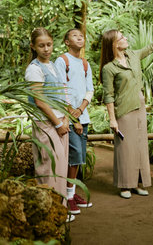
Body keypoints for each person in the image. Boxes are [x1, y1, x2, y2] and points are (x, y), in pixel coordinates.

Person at [100, 16, 153, 199]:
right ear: (114, 44)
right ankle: (125, 185)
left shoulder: (133, 55)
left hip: (140, 107)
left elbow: (152, 47)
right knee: (125, 148)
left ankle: (138, 184)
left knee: (140, 146)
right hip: (124, 111)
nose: (125, 38)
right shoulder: (109, 68)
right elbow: (108, 95)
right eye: (121, 37)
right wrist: (112, 119)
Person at [25, 28, 74, 221]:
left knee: (61, 167)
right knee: (49, 168)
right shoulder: (34, 69)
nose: (46, 49)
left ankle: (59, 210)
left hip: (61, 121)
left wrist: (66, 119)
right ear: (33, 46)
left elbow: (62, 94)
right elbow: (39, 101)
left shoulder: (53, 65)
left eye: (49, 44)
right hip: (46, 123)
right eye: (41, 45)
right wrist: (56, 123)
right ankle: (47, 212)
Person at [55, 28, 94, 216]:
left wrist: (81, 110)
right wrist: (73, 117)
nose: (80, 37)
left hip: (82, 116)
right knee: (74, 154)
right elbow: (60, 90)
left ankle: (71, 193)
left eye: (81, 36)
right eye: (74, 36)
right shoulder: (62, 61)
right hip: (68, 118)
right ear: (66, 41)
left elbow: (90, 90)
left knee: (78, 158)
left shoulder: (85, 64)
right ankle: (67, 197)